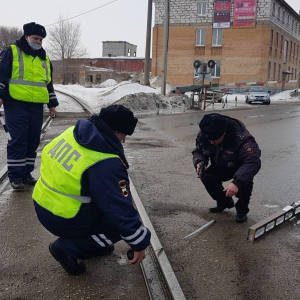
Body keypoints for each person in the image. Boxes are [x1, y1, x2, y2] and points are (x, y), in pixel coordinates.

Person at [32, 104, 151, 275]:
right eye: (123, 134)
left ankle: (93, 245)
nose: (123, 140)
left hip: (43, 203)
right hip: (63, 216)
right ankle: (68, 248)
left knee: (106, 207)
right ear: (113, 130)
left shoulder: (73, 133)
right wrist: (139, 244)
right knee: (118, 224)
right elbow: (119, 209)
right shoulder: (105, 162)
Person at [0, 22, 58, 190]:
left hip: (36, 106)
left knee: (33, 141)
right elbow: (2, 75)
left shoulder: (44, 58)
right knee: (19, 140)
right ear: (26, 37)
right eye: (35, 38)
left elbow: (48, 84)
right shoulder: (11, 52)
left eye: (41, 39)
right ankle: (16, 177)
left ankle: (26, 174)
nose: (38, 42)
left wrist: (52, 104)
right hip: (15, 104)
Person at [192, 113, 261, 223]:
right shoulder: (207, 132)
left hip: (240, 166)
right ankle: (224, 202)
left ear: (224, 133)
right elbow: (200, 151)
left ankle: (242, 211)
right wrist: (199, 161)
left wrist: (236, 182)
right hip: (220, 163)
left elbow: (252, 162)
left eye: (214, 139)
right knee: (206, 176)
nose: (211, 142)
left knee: (245, 184)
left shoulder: (242, 139)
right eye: (209, 139)